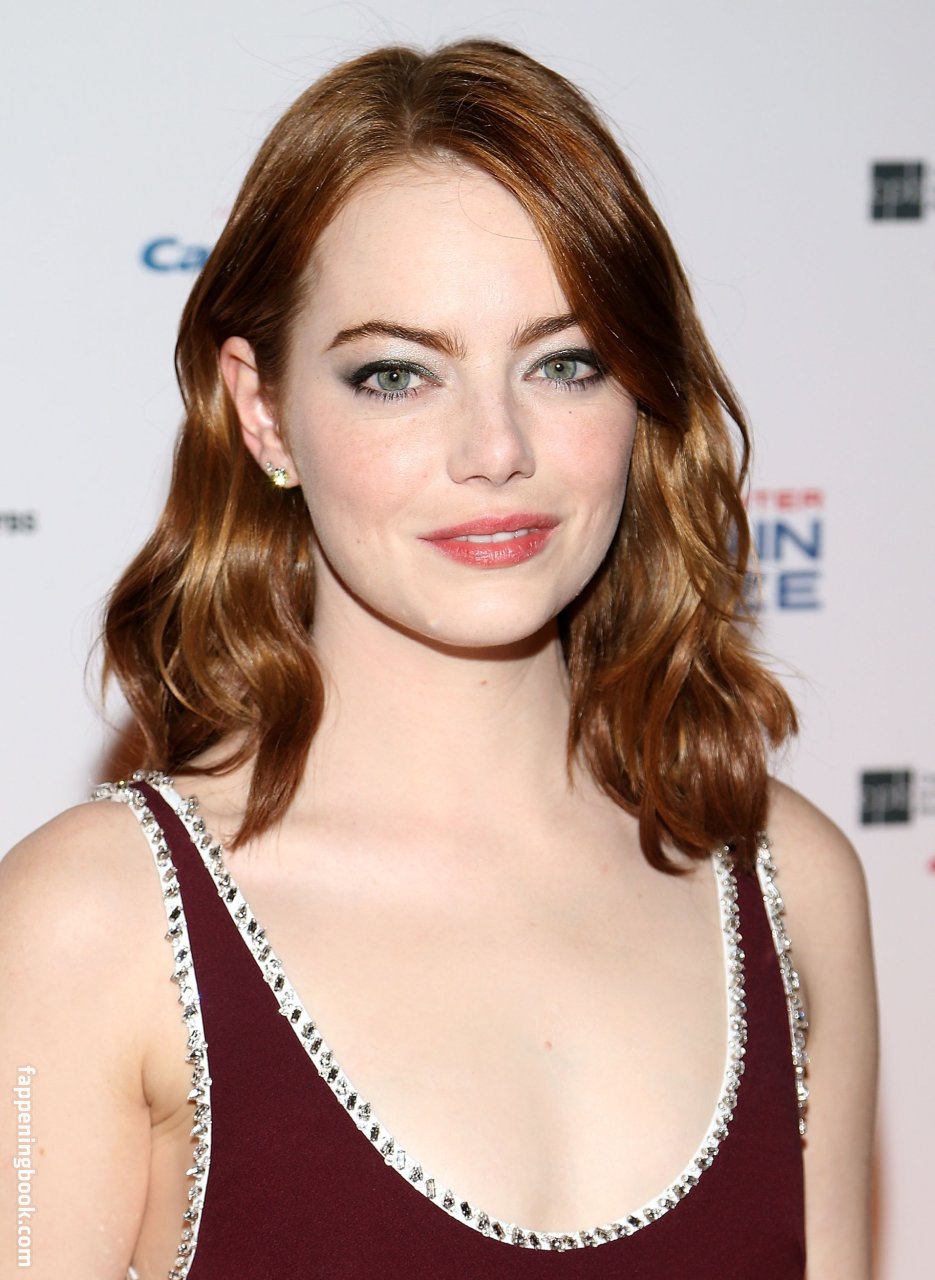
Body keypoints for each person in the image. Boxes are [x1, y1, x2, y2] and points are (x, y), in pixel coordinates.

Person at [0, 39, 876, 1279]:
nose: (495, 447)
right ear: (262, 410)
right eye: (396, 374)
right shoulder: (92, 922)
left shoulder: (788, 881)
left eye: (564, 362)